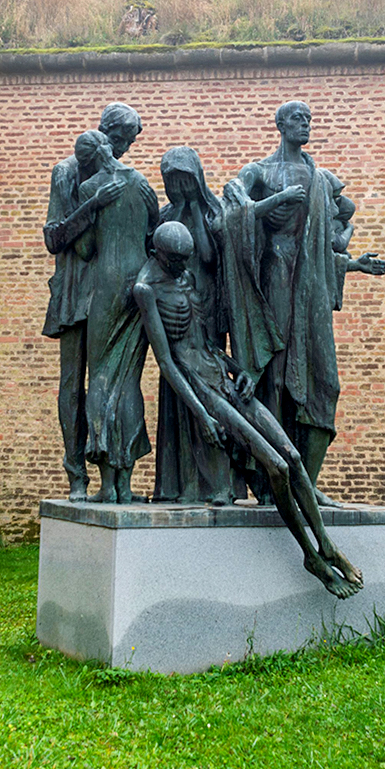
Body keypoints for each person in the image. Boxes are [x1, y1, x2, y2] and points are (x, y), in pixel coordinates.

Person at [134, 221, 363, 598]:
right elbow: (168, 363)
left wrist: (238, 369)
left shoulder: (186, 276)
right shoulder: (146, 289)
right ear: (159, 253)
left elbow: (204, 340)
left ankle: (327, 545)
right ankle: (310, 555)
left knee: (290, 455)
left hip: (222, 375)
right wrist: (202, 414)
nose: (182, 266)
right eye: (176, 260)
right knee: (274, 466)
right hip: (201, 388)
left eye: (185, 259)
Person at [221, 101, 385, 505]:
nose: (306, 125)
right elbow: (227, 212)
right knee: (275, 380)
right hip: (274, 278)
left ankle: (307, 486)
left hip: (310, 286)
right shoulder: (259, 171)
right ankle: (273, 482)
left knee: (324, 382)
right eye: (298, 119)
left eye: (310, 120)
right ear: (280, 125)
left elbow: (328, 236)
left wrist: (353, 264)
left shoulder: (321, 178)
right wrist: (268, 205)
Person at [42, 103, 146, 501]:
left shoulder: (124, 177)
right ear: (105, 131)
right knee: (73, 382)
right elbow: (54, 238)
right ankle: (76, 476)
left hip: (113, 289)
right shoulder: (67, 171)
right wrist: (93, 206)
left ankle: (116, 478)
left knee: (116, 381)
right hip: (75, 288)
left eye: (129, 143)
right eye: (121, 140)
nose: (123, 149)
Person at [74, 130, 160, 503]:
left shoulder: (89, 187)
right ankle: (126, 486)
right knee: (129, 380)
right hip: (138, 282)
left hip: (107, 287)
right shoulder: (140, 182)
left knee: (103, 379)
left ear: (88, 160)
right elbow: (153, 232)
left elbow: (85, 247)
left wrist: (91, 208)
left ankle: (107, 485)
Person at [152, 147, 233, 505]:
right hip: (174, 315)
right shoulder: (164, 216)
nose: (178, 188)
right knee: (177, 394)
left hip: (206, 315)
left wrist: (194, 210)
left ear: (196, 179)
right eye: (172, 182)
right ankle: (177, 485)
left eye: (185, 181)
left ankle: (217, 484)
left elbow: (208, 255)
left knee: (211, 392)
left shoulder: (212, 212)